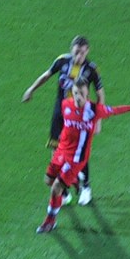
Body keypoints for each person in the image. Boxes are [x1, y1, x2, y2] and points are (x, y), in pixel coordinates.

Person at [36, 78, 130, 233]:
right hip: (61, 151)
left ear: (87, 95)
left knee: (56, 188)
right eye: (76, 93)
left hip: (76, 158)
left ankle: (50, 221)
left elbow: (114, 110)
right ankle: (74, 180)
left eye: (82, 93)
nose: (78, 97)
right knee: (48, 180)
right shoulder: (66, 105)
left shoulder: (94, 110)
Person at [22, 35, 105, 206]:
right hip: (60, 113)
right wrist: (31, 89)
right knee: (56, 150)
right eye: (76, 52)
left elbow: (100, 94)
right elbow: (47, 75)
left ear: (87, 51)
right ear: (71, 49)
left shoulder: (91, 69)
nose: (79, 56)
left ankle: (86, 187)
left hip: (80, 116)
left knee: (79, 152)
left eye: (82, 53)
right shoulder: (62, 61)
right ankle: (63, 191)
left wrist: (98, 120)